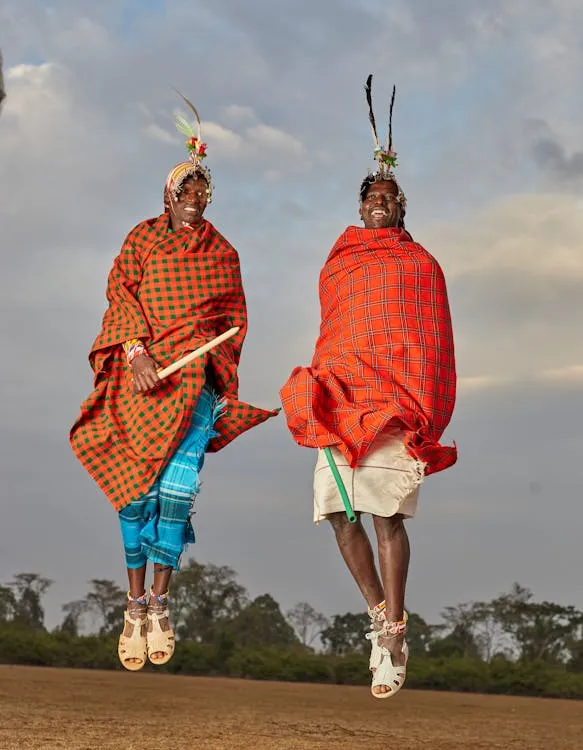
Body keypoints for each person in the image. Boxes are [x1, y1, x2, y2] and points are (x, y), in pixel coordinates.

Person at [70, 93, 277, 671]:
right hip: (141, 380)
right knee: (136, 492)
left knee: (176, 496)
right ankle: (132, 603)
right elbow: (120, 293)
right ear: (167, 196)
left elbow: (234, 321)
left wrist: (212, 367)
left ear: (209, 198)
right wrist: (134, 349)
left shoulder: (223, 252)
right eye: (184, 191)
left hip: (193, 386)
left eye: (201, 192)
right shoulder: (141, 239)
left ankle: (161, 603)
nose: (193, 199)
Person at [280, 76, 457, 698]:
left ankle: (395, 631)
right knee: (338, 513)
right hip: (340, 400)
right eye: (373, 195)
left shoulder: (421, 265)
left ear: (402, 207)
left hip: (393, 408)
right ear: (360, 207)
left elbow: (429, 341)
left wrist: (420, 407)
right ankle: (380, 617)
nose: (381, 201)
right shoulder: (338, 262)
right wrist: (322, 380)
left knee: (386, 517)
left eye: (391, 195)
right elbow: (338, 329)